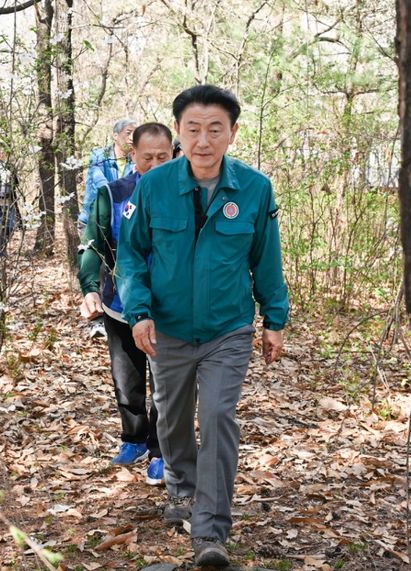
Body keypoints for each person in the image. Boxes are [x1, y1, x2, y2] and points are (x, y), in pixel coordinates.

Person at [116, 85, 289, 568]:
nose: (204, 140)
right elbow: (131, 255)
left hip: (227, 329)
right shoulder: (154, 186)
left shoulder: (254, 188)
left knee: (216, 417)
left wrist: (274, 319)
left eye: (215, 129)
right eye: (193, 129)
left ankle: (211, 531)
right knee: (171, 418)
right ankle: (182, 487)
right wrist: (140, 312)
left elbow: (266, 258)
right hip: (168, 329)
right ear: (179, 132)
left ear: (233, 133)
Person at [79, 123, 173, 485]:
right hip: (120, 303)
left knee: (167, 385)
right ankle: (133, 438)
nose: (155, 164)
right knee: (127, 378)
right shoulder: (113, 193)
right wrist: (89, 286)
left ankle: (161, 451)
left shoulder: (187, 194)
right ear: (133, 155)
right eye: (147, 157)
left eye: (162, 157)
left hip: (168, 309)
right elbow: (94, 242)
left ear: (173, 155)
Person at [79, 118, 137, 339]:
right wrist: (115, 195)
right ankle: (97, 319)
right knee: (97, 264)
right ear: (115, 135)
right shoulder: (100, 156)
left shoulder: (134, 159)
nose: (131, 137)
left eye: (135, 133)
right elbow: (99, 182)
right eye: (128, 132)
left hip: (123, 219)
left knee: (115, 268)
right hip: (96, 217)